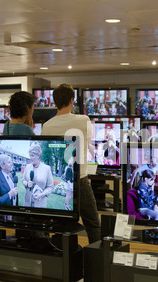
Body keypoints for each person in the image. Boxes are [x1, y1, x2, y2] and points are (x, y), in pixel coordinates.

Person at [42, 84, 101, 243]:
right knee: (93, 224)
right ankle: (95, 260)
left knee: (61, 223)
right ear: (71, 100)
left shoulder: (46, 126)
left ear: (54, 102)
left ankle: (61, 253)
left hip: (64, 177)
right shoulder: (83, 120)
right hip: (80, 179)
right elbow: (88, 143)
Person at [22, 144, 54, 208]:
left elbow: (50, 187)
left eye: (32, 156)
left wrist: (42, 194)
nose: (30, 158)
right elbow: (23, 180)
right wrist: (27, 184)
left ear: (38, 156)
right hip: (27, 202)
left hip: (40, 203)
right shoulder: (27, 167)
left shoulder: (46, 168)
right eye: (30, 156)